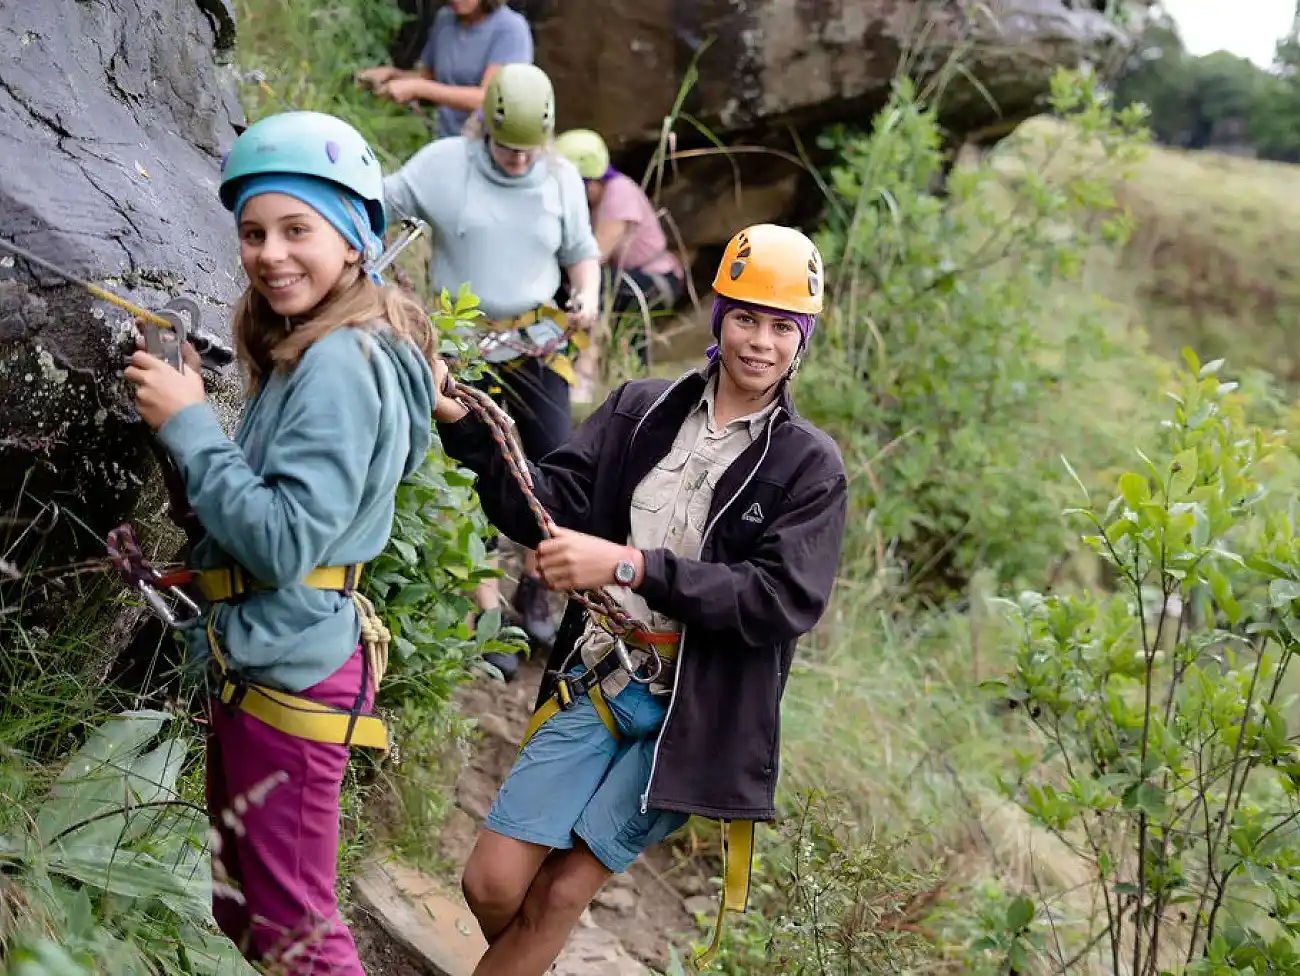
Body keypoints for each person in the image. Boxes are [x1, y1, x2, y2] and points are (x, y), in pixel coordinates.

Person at [430, 223, 848, 976]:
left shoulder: (808, 466)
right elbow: (549, 505)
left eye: (783, 326)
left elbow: (779, 600)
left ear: (802, 338)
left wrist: (629, 566)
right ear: (719, 318)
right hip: (602, 676)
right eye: (746, 317)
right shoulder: (641, 411)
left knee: (558, 899)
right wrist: (462, 423)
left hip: (693, 716)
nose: (761, 341)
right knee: (491, 884)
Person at [123, 110, 437, 975]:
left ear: (353, 236)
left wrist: (191, 427)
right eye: (253, 232)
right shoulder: (321, 349)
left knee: (298, 932)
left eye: (297, 228)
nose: (270, 253)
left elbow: (287, 542)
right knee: (247, 913)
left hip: (291, 675)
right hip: (270, 658)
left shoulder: (340, 361)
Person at [383, 62, 600, 679]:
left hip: (536, 346)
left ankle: (537, 584)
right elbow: (379, 203)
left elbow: (582, 253)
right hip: (465, 347)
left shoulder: (559, 179)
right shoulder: (444, 165)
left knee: (556, 469)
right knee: (462, 477)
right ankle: (489, 619)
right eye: (507, 148)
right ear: (485, 128)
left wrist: (586, 295)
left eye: (529, 151)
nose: (516, 161)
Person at [554, 127, 685, 372]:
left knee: (590, 285)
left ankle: (585, 372)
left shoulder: (619, 193)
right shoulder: (593, 199)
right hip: (626, 280)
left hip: (656, 281)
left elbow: (593, 256)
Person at [357, 0, 533, 141]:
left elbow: (488, 99)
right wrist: (392, 75)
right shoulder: (445, 20)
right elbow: (430, 76)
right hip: (446, 141)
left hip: (489, 147)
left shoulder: (511, 29)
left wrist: (417, 88)